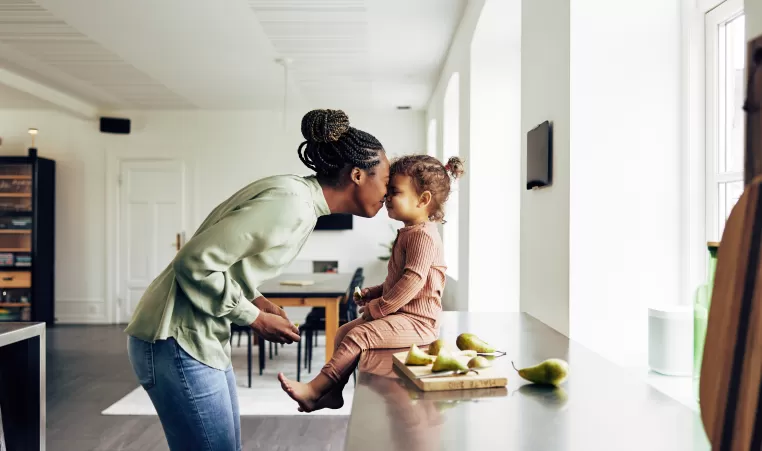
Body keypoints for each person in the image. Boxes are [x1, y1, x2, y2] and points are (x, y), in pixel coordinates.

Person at [124, 109, 390, 451]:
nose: (388, 192)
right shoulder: (291, 204)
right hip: (175, 337)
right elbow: (194, 263)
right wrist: (253, 318)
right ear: (357, 175)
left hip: (195, 337)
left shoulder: (301, 202)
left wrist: (257, 301)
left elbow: (229, 263)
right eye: (384, 180)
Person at [278, 154, 465, 413]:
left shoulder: (423, 236)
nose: (387, 197)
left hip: (419, 323)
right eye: (387, 192)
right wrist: (373, 292)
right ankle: (333, 393)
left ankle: (315, 389)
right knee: (343, 332)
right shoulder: (410, 232)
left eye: (395, 192)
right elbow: (399, 280)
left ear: (423, 200)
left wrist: (380, 307)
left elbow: (413, 281)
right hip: (402, 315)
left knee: (358, 336)